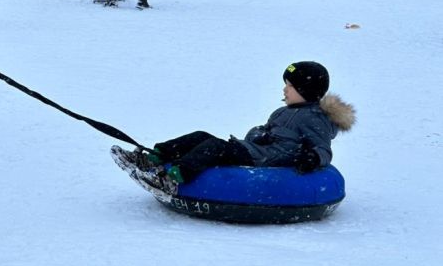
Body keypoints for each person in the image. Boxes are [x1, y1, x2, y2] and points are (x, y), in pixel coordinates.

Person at [112, 61, 355, 197]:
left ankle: (172, 180)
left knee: (214, 147)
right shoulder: (282, 112)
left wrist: (312, 157)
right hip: (255, 150)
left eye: (290, 86)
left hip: (267, 161)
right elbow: (260, 131)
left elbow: (324, 148)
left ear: (306, 91)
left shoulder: (315, 118)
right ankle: (153, 158)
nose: (284, 90)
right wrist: (258, 134)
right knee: (201, 136)